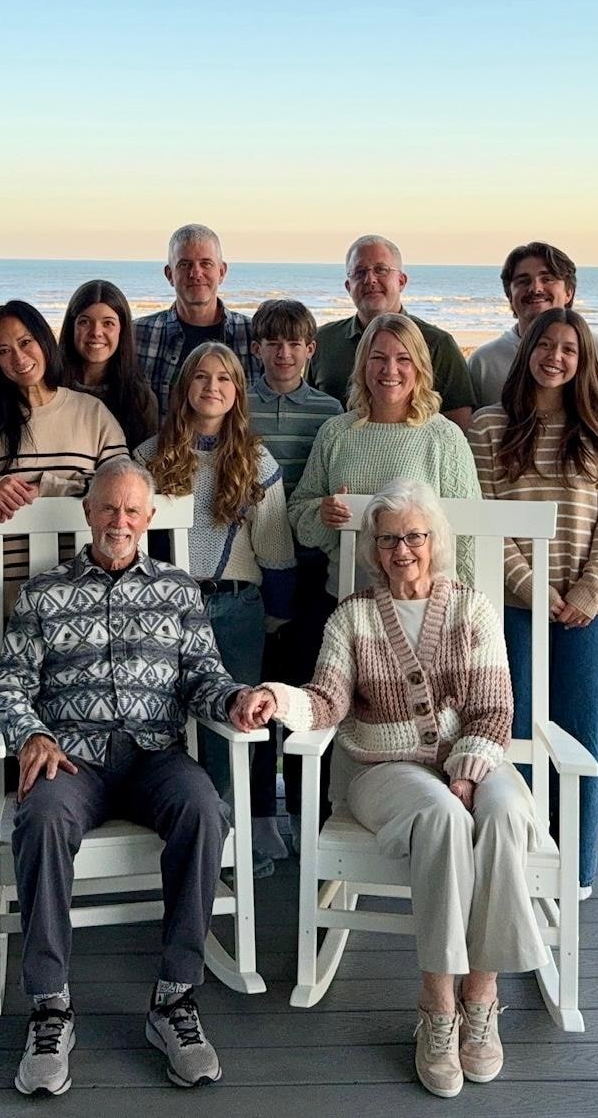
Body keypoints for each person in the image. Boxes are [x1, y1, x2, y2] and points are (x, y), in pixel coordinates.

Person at [240, 480, 545, 1099]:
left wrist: (466, 767)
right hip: (384, 771)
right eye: (388, 540)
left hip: (472, 759)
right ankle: (437, 1006)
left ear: (435, 541)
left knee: (509, 813)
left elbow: (494, 708)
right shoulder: (351, 615)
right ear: (374, 550)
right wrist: (278, 697)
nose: (402, 549)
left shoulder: (472, 608)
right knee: (443, 818)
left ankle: (480, 996)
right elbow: (327, 700)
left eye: (414, 536)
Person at [0, 458, 275, 1096]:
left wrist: (234, 701)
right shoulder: (43, 593)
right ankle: (50, 1007)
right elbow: (6, 686)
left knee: (204, 808)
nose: (120, 520)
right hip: (72, 758)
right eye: (109, 508)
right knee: (40, 816)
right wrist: (31, 733)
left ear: (147, 519)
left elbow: (203, 677)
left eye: (132, 511)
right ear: (89, 513)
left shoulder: (177, 590)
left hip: (154, 757)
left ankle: (174, 1000)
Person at [467, 308, 598, 899]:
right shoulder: (488, 428)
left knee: (584, 729)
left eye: (569, 348)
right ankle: (525, 861)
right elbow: (485, 521)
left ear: (583, 359)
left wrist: (588, 589)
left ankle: (576, 872)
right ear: (526, 351)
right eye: (546, 345)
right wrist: (537, 592)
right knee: (520, 730)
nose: (556, 357)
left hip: (594, 603)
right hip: (515, 604)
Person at [136, 342, 296, 874]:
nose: (212, 387)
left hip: (235, 607)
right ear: (183, 387)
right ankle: (175, 831)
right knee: (164, 721)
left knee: (233, 726)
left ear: (237, 392)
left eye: (224, 379)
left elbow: (275, 550)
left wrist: (276, 616)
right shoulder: (150, 457)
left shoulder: (256, 461)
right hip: (165, 606)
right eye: (200, 377)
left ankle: (225, 843)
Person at [0, 300, 128, 687]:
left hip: (81, 599)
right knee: (5, 725)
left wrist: (48, 490)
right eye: (3, 351)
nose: (18, 358)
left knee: (73, 720)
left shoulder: (92, 414)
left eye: (25, 342)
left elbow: (123, 493)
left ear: (44, 341)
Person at [288, 312, 481, 596]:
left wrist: (463, 600)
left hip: (426, 602)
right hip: (348, 597)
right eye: (378, 358)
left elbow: (468, 533)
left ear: (419, 367)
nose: (389, 370)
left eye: (403, 359)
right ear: (363, 365)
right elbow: (298, 511)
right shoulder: (336, 433)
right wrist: (322, 513)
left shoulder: (444, 437)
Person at [467, 242, 598, 528]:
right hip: (510, 544)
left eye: (548, 278)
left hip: (589, 541)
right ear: (510, 295)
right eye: (523, 281)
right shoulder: (485, 362)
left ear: (568, 292)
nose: (536, 287)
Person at [246, 298, 344, 840]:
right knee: (256, 689)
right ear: (257, 347)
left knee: (308, 690)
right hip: (253, 569)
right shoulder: (240, 407)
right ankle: (261, 818)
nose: (284, 353)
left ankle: (311, 817)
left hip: (311, 573)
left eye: (295, 343)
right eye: (273, 342)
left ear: (311, 349)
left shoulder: (328, 414)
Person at [307, 235, 475, 427]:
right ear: (348, 286)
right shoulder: (323, 341)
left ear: (401, 281)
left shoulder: (437, 343)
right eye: (360, 272)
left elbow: (460, 426)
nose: (370, 279)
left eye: (381, 270)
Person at [134, 224, 259, 417]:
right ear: (169, 275)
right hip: (159, 446)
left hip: (235, 447)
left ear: (222, 271)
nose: (196, 273)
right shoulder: (138, 335)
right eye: (185, 264)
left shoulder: (253, 335)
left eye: (206, 263)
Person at [58, 278, 159, 450]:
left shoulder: (139, 399)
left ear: (122, 329)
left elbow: (143, 467)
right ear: (71, 327)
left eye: (108, 323)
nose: (96, 332)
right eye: (85, 322)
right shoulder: (50, 385)